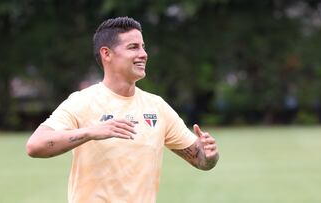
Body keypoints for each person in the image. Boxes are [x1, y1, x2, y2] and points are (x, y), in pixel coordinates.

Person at [26, 16, 219, 203]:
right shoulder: (82, 102)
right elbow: (35, 145)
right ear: (106, 54)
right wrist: (91, 132)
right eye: (133, 47)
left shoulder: (156, 106)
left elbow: (201, 160)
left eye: (143, 47)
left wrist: (210, 155)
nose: (143, 54)